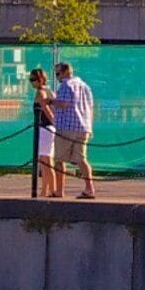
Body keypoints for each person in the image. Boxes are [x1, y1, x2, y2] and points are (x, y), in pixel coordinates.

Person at [54, 62, 97, 201]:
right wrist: (90, 127)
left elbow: (64, 103)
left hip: (67, 127)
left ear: (65, 72)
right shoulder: (85, 86)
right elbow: (91, 107)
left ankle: (59, 191)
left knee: (59, 159)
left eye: (58, 74)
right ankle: (89, 188)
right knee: (82, 159)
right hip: (83, 127)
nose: (57, 77)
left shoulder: (66, 85)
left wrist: (51, 101)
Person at [26, 64, 59, 197]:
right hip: (48, 128)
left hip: (45, 128)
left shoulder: (41, 93)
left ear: (40, 79)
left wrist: (55, 124)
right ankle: (45, 190)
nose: (31, 82)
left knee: (46, 161)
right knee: (44, 161)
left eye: (33, 79)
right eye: (30, 80)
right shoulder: (50, 91)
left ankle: (52, 190)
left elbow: (48, 112)